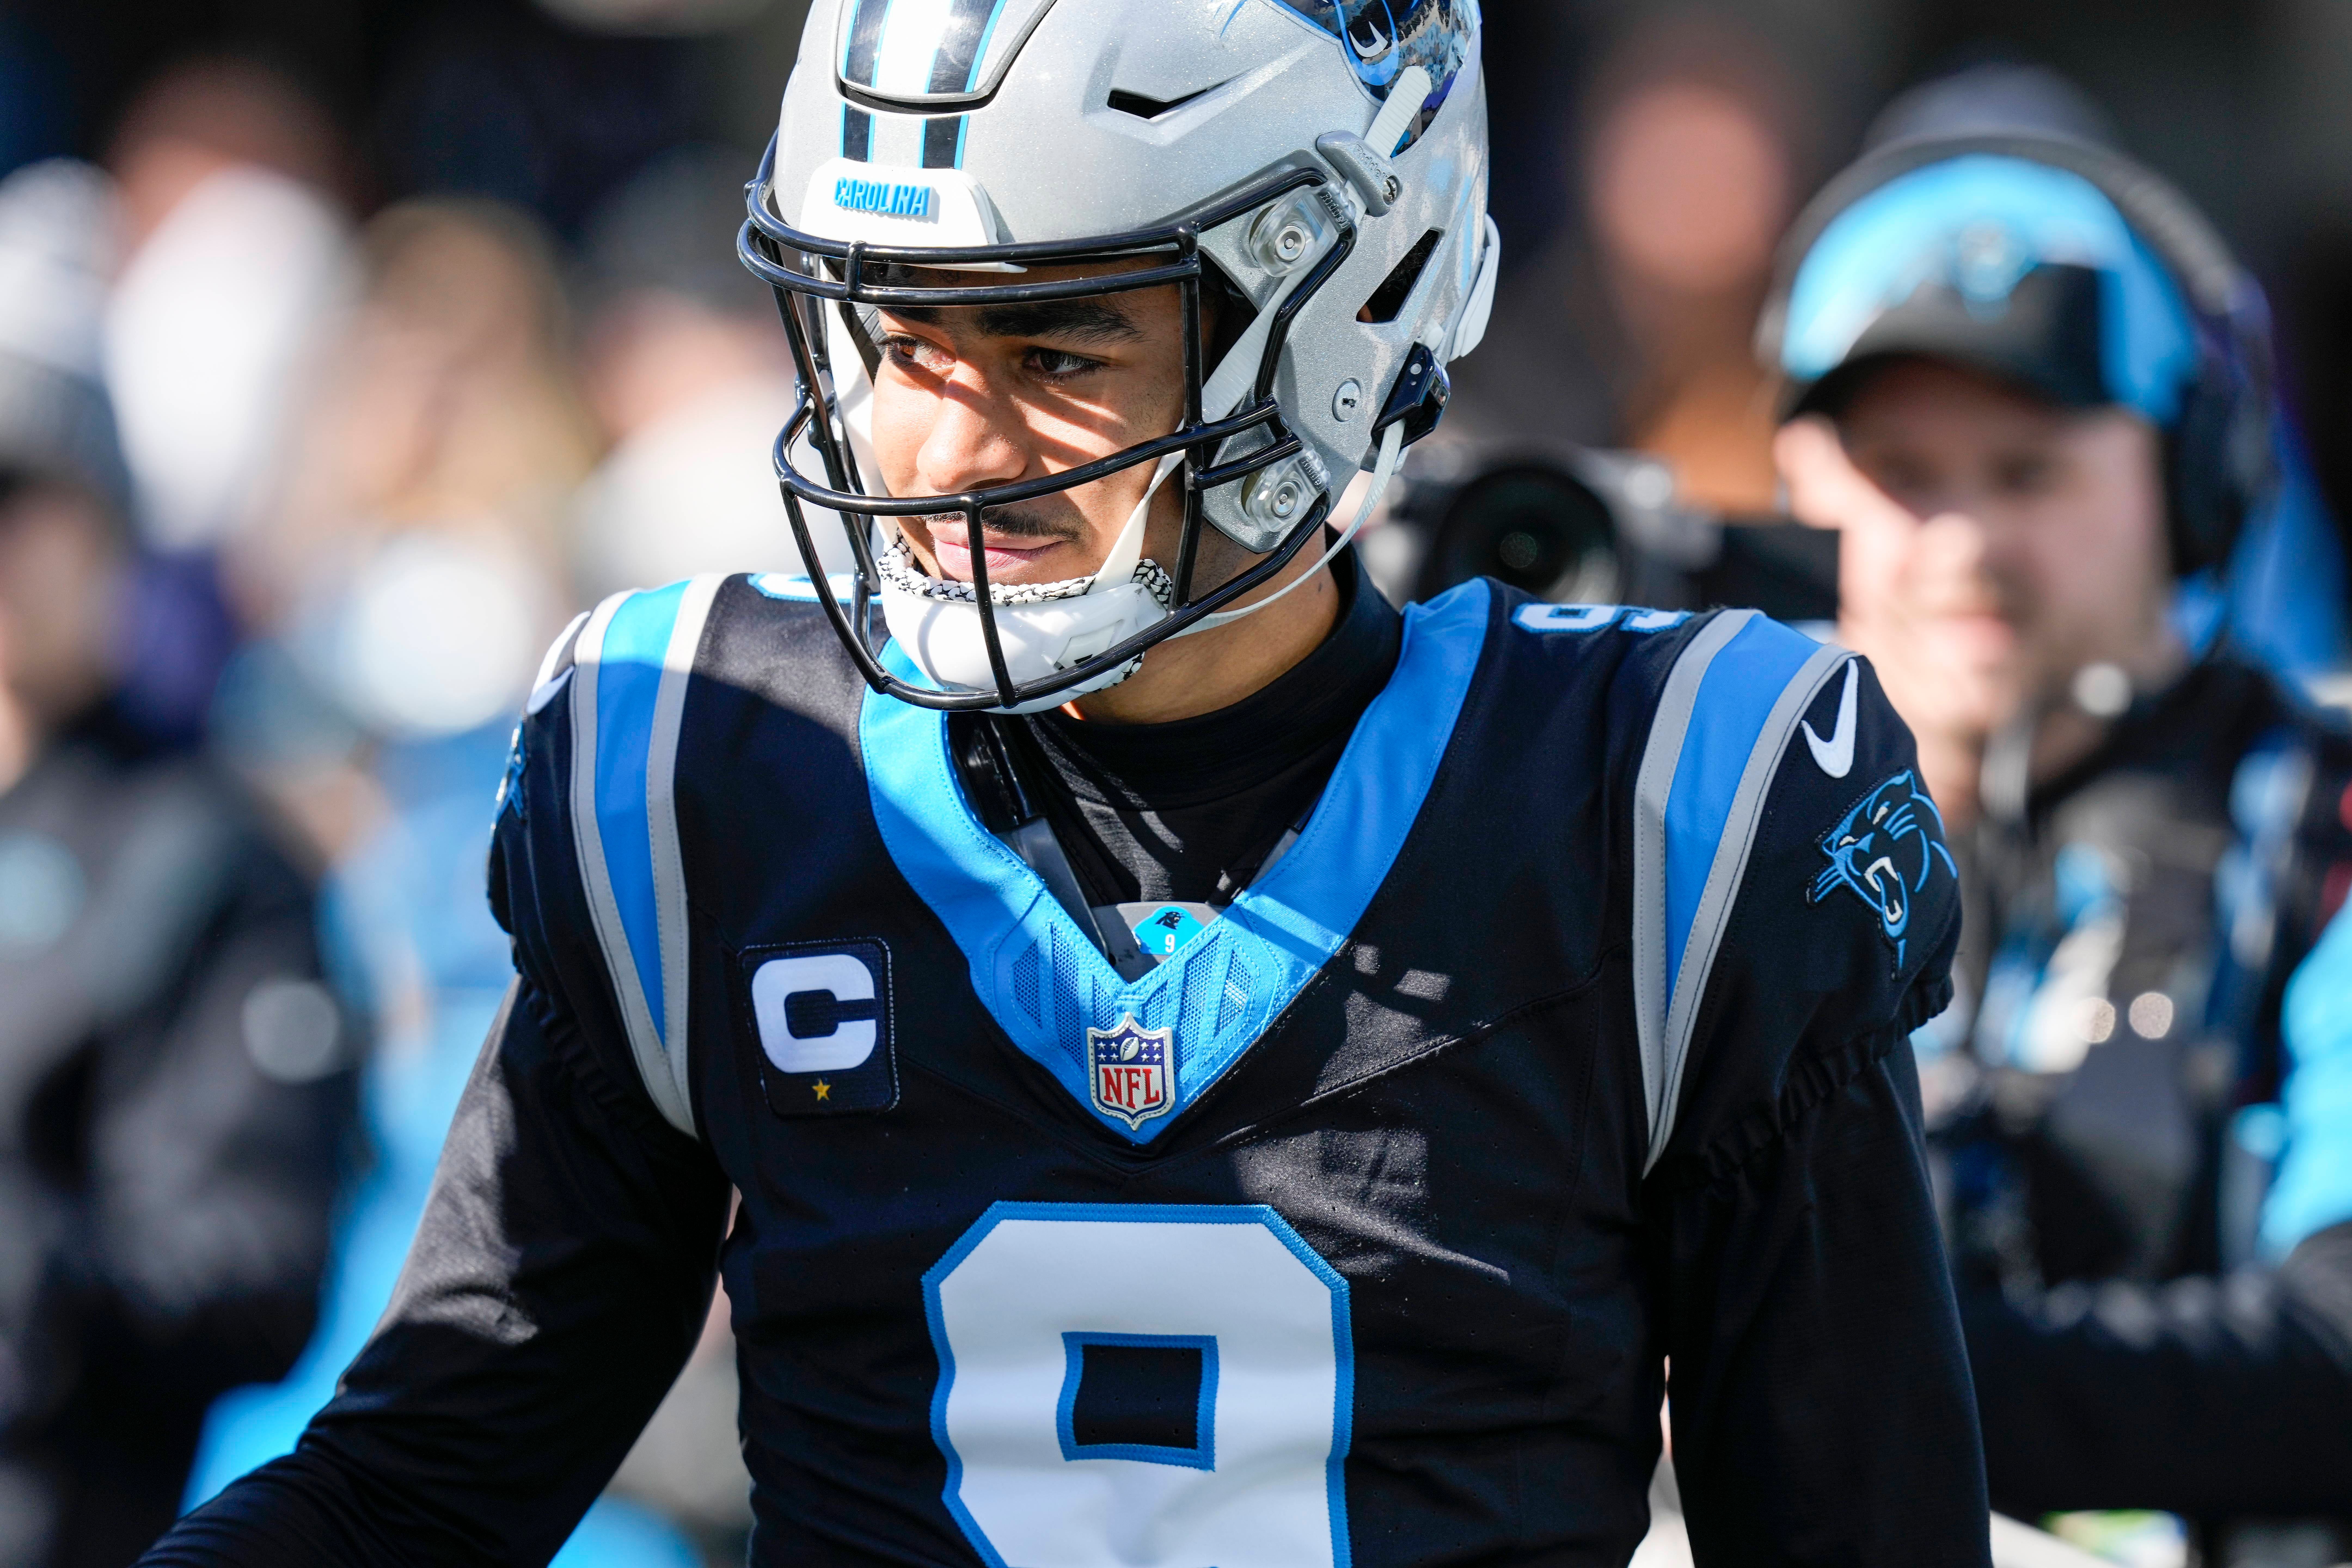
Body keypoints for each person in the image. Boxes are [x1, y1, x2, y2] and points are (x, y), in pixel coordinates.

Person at [143, 2, 1986, 1563]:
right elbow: (432, 1469)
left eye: (1054, 345)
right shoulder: (706, 770)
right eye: (899, 332)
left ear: (1352, 312)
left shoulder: (1666, 809)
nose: (942, 441)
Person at [1765, 130, 2352, 1557]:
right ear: (1797, 488)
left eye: (2028, 471)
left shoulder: (2321, 826)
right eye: (1903, 473)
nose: (1963, 542)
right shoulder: (1686, 823)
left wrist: (1869, 1380)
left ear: (2196, 479)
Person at [0, 159, 357, 1568]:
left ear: (107, 524)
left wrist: (27, 1266)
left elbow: (255, 1274)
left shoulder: (206, 854)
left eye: (25, 496)